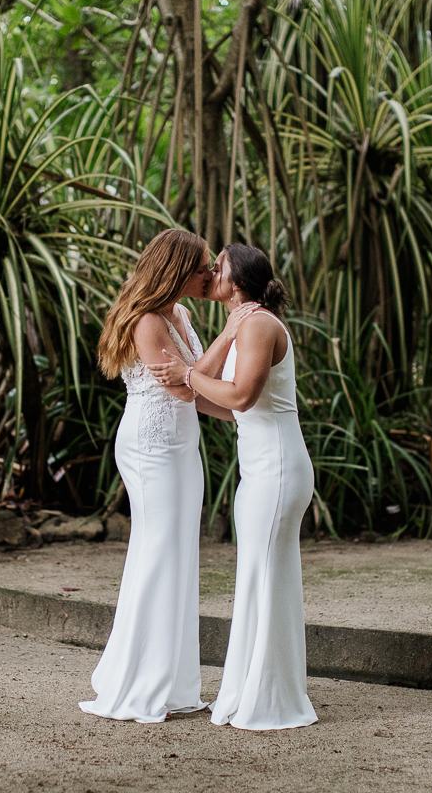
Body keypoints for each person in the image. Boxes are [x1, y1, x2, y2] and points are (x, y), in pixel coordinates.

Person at [81, 229, 256, 723]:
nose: (209, 275)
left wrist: (246, 413)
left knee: (179, 554)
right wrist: (227, 335)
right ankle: (137, 683)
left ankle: (173, 682)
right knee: (158, 554)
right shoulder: (146, 320)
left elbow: (197, 385)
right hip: (151, 444)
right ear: (175, 269)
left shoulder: (178, 312)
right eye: (201, 267)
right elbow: (182, 391)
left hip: (181, 444)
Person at [148, 244, 318, 731]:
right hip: (260, 466)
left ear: (237, 278)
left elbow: (242, 394)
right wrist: (199, 372)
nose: (208, 273)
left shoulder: (260, 324)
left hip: (278, 467)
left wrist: (188, 373)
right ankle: (256, 689)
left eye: (216, 267)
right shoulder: (243, 324)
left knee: (266, 579)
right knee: (258, 580)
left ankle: (270, 699)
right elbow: (215, 396)